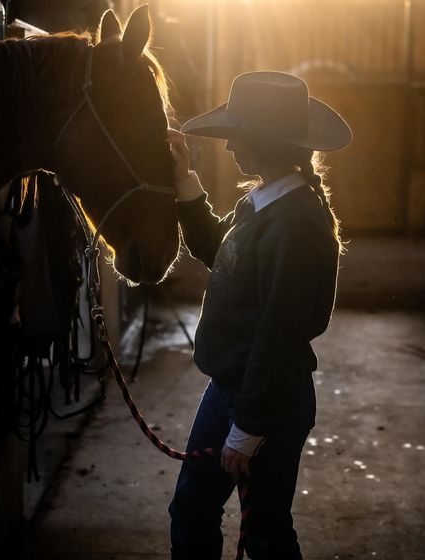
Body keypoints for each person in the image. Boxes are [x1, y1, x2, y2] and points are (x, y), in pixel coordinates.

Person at [167, 71, 351, 560]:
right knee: (191, 509)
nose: (229, 148)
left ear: (264, 143)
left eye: (236, 136)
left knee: (266, 532)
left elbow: (279, 335)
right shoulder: (264, 202)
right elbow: (215, 248)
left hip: (267, 398)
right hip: (231, 388)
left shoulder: (295, 223)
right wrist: (184, 178)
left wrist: (248, 430)